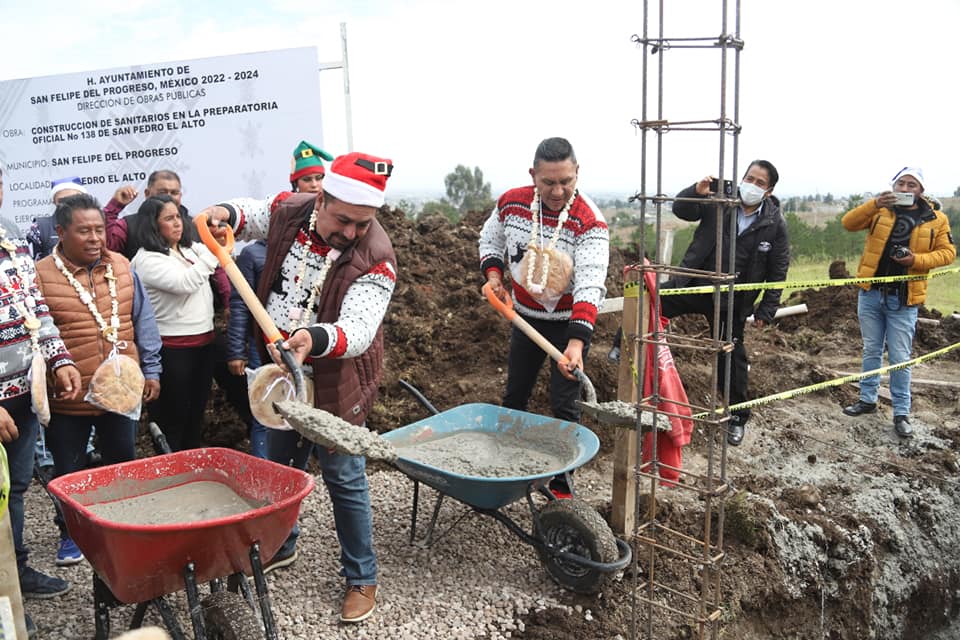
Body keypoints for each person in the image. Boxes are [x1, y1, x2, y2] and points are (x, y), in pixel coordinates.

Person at [200, 151, 396, 624]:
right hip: (280, 376)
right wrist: (225, 213)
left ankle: (362, 578)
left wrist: (314, 338)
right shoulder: (291, 210)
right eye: (344, 220)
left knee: (343, 478)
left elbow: (361, 328)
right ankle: (282, 544)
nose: (351, 232)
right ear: (321, 197)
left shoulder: (378, 256)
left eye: (362, 223)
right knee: (277, 468)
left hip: (336, 378)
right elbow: (252, 211)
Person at [478, 137, 609, 498]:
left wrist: (577, 343)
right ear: (533, 175)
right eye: (548, 182)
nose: (557, 190)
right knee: (515, 393)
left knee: (565, 404)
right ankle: (503, 465)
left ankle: (562, 483)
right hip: (525, 317)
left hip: (569, 323)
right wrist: (494, 277)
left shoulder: (589, 222)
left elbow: (590, 284)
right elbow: (490, 241)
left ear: (577, 173)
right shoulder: (511, 204)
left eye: (566, 181)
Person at [34, 193, 162, 559]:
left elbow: (144, 322)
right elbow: (37, 335)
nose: (95, 238)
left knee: (122, 461)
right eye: (84, 231)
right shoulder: (41, 275)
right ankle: (72, 535)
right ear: (60, 232)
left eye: (99, 230)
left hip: (119, 391)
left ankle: (126, 528)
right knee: (69, 471)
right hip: (68, 399)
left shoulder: (121, 266)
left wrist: (151, 369)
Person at [0, 164, 82, 627]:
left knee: (14, 489)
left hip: (21, 394)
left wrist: (60, 358)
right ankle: (2, 606)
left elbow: (36, 309)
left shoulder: (10, 233)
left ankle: (12, 574)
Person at [662, 160, 789, 446]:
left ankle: (737, 417)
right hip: (695, 283)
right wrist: (695, 191)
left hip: (733, 299)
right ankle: (622, 347)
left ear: (768, 192)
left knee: (730, 354)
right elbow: (682, 210)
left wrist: (767, 309)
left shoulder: (774, 224)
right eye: (749, 178)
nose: (752, 185)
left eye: (759, 183)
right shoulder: (719, 200)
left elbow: (778, 269)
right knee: (654, 301)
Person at [225, 140, 334, 457]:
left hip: (311, 342)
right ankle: (271, 468)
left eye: (318, 179)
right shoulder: (258, 254)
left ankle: (307, 460)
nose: (314, 186)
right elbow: (241, 305)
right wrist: (237, 349)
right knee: (269, 407)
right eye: (307, 180)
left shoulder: (329, 246)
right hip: (270, 344)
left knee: (312, 407)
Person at [840, 167, 956, 437]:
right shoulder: (881, 211)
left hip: (904, 298)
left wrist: (915, 260)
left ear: (921, 191)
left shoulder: (936, 219)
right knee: (871, 350)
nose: (905, 189)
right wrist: (874, 203)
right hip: (871, 293)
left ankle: (901, 412)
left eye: (911, 185)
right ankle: (867, 400)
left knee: (900, 358)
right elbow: (848, 223)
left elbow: (948, 253)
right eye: (900, 184)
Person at [131, 195, 220, 451]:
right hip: (172, 349)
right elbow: (186, 283)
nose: (177, 223)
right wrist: (215, 252)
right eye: (168, 218)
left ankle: (191, 470)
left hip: (204, 342)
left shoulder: (189, 248)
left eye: (178, 217)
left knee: (195, 413)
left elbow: (207, 254)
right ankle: (170, 474)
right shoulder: (146, 259)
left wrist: (211, 250)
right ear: (152, 225)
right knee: (173, 417)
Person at [27, 177, 138, 260]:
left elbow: (109, 242)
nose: (94, 238)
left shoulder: (120, 265)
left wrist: (115, 204)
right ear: (54, 201)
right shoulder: (41, 227)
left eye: (74, 198)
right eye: (63, 200)